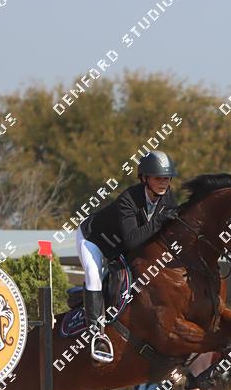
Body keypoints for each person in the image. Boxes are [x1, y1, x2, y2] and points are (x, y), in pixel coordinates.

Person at [77, 150, 180, 363]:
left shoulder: (169, 198)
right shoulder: (129, 199)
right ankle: (96, 335)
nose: (164, 183)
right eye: (158, 178)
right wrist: (160, 221)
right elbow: (132, 240)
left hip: (121, 247)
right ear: (145, 178)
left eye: (167, 178)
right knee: (94, 275)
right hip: (94, 240)